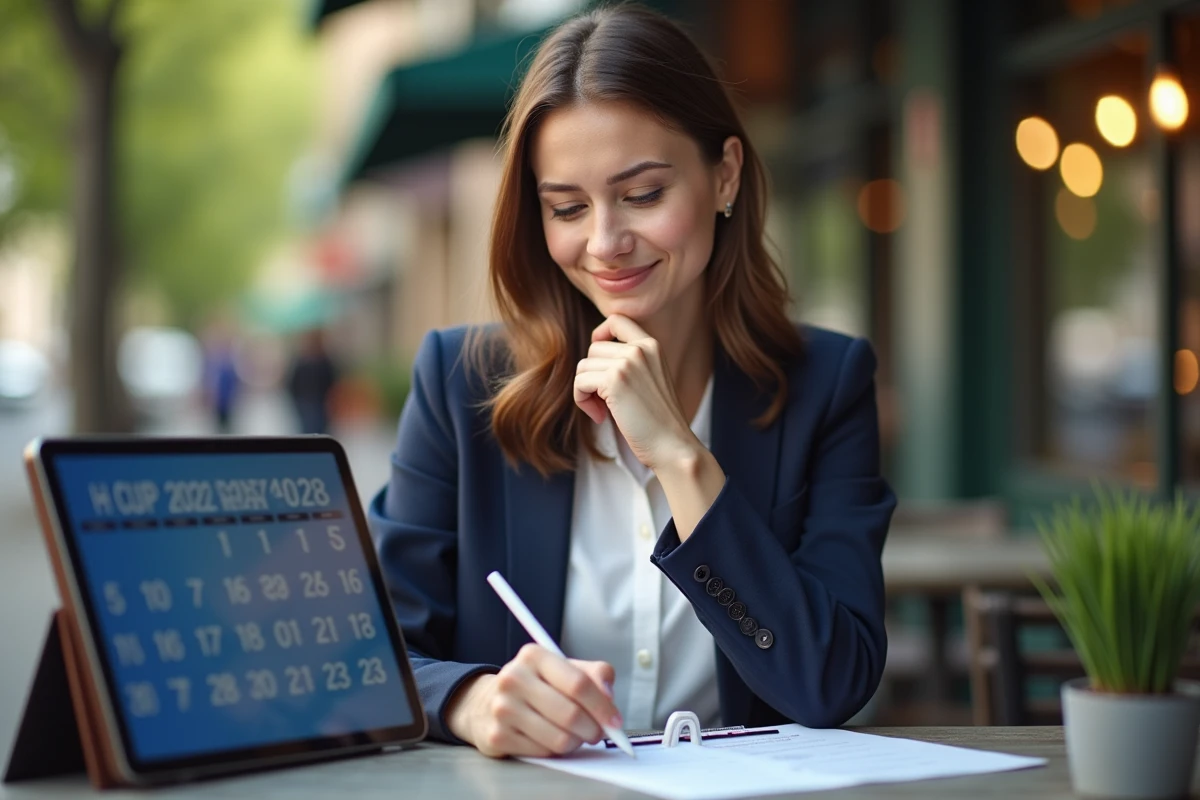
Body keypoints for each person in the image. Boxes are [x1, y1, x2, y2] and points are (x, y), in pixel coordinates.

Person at [369, 4, 896, 759]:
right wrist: (472, 701)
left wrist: (683, 460)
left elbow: (831, 681)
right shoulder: (460, 386)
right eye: (567, 208)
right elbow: (375, 654)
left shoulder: (826, 386)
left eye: (644, 194)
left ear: (725, 176)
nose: (606, 243)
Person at [286, 328, 339, 434]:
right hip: (305, 405)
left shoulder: (325, 362)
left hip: (320, 405)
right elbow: (293, 384)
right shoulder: (302, 362)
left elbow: (332, 384)